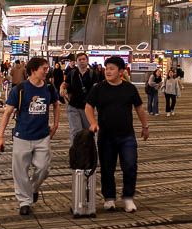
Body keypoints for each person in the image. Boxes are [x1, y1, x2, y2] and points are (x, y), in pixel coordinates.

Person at [0, 56, 60, 216]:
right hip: (22, 136)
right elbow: (7, 113)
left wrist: (56, 124)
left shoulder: (49, 88)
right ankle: (24, 201)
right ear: (33, 71)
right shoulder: (19, 90)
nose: (47, 72)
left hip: (42, 135)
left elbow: (56, 104)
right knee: (20, 171)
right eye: (44, 69)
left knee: (43, 169)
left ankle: (33, 189)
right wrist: (0, 136)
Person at [85, 56, 149, 213]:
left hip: (127, 135)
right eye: (107, 68)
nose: (108, 71)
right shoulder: (98, 88)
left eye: (112, 69)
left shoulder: (129, 88)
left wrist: (145, 126)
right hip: (106, 136)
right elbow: (88, 107)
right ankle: (109, 198)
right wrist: (93, 122)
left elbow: (139, 108)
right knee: (107, 168)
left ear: (121, 71)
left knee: (130, 166)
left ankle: (128, 197)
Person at [62, 52, 98, 144]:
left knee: (88, 131)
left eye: (84, 59)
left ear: (87, 61)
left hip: (87, 108)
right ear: (76, 62)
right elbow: (65, 84)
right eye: (80, 60)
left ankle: (89, 152)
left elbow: (96, 87)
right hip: (73, 106)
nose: (82, 61)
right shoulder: (72, 73)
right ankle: (75, 153)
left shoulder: (92, 73)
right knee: (76, 131)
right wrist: (61, 88)